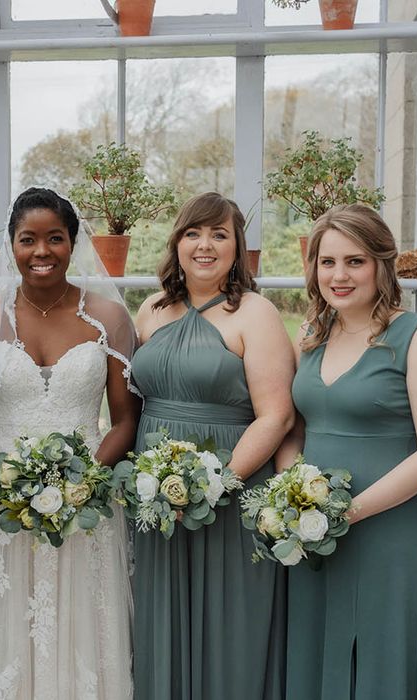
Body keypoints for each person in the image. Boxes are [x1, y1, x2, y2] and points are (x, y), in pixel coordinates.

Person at [0, 187, 141, 699]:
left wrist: (81, 483)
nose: (41, 252)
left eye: (55, 239)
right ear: (10, 246)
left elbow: (125, 420)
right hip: (4, 505)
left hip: (89, 504)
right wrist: (3, 483)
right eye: (28, 239)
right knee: (9, 629)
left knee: (85, 628)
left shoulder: (109, 317)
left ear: (73, 243)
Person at [276, 204, 417, 700]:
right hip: (313, 534)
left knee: (381, 662)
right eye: (327, 261)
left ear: (382, 264)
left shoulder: (415, 337)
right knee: (315, 656)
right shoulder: (310, 337)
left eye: (354, 261)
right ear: (313, 268)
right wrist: (293, 499)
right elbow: (294, 430)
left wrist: (346, 513)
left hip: (388, 534)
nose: (339, 275)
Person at [131, 191, 295, 700]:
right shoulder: (151, 310)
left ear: (237, 247)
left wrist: (214, 487)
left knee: (230, 623)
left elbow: (277, 415)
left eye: (219, 234)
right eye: (193, 233)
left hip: (230, 488)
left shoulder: (255, 312)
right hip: (155, 497)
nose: (205, 245)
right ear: (177, 242)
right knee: (159, 618)